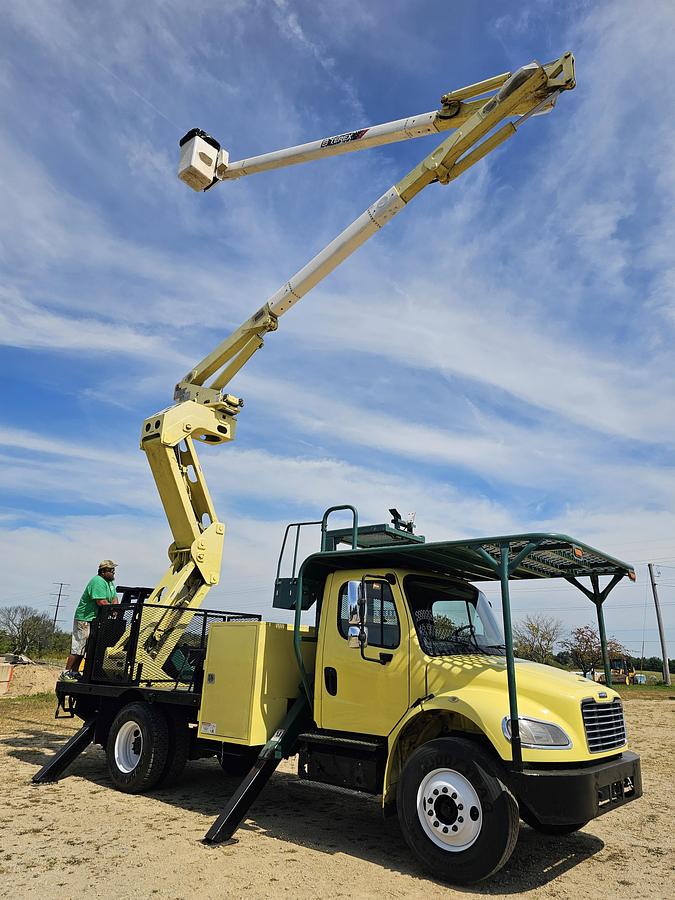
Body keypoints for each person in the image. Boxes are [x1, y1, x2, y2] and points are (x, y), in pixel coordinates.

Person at [61, 560, 119, 681]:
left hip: (94, 619)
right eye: (110, 570)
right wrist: (112, 609)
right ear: (103, 571)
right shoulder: (97, 581)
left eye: (113, 570)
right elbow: (101, 602)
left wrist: (115, 609)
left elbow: (114, 598)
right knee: (79, 646)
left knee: (86, 647)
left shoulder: (110, 584)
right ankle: (66, 672)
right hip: (84, 618)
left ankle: (75, 672)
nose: (113, 572)